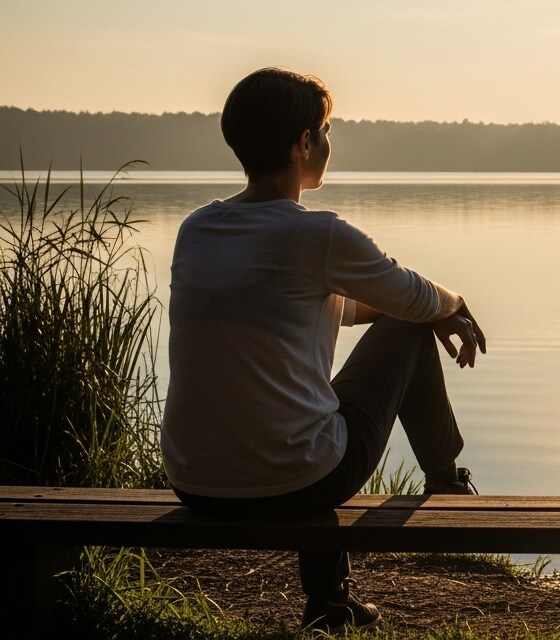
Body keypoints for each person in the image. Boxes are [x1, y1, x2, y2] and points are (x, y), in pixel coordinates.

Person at [160, 67, 487, 632]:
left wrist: (406, 309)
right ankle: (445, 481)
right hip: (297, 483)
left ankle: (332, 603)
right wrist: (451, 303)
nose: (330, 142)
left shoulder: (198, 230)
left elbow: (303, 307)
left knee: (308, 410)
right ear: (303, 142)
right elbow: (411, 294)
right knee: (337, 403)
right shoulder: (318, 235)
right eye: (326, 128)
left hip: (194, 479)